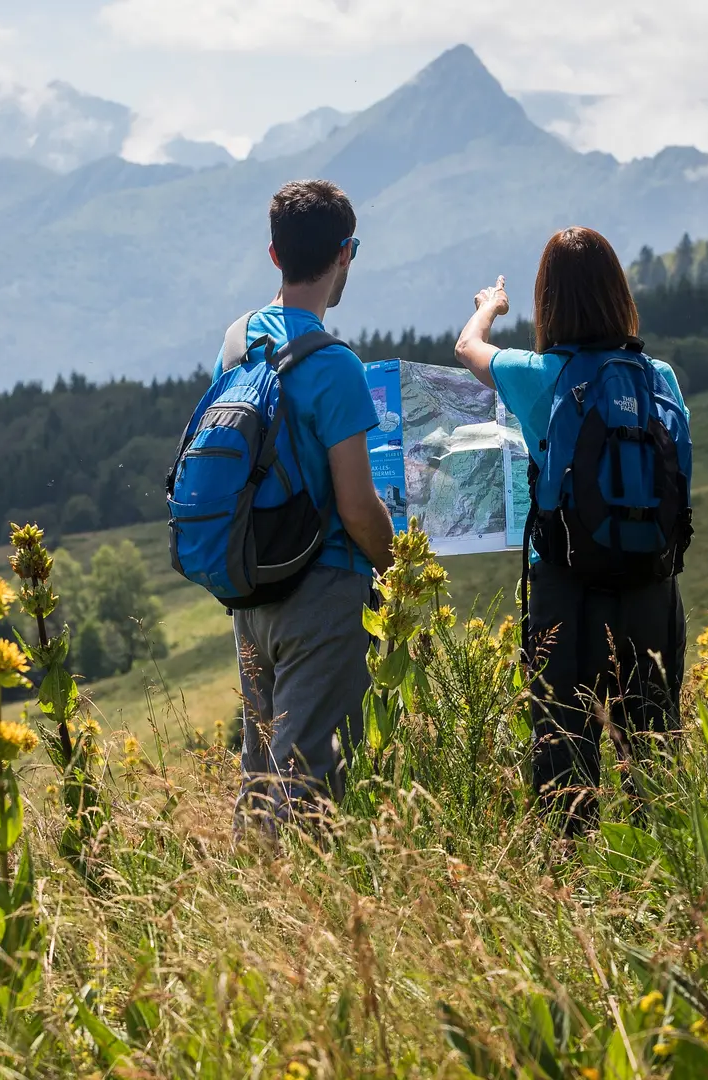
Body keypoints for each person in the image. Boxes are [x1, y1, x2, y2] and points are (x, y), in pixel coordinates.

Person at [450, 226, 690, 833]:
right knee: (655, 759)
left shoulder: (541, 374)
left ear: (549, 301)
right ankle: (660, 890)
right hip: (651, 586)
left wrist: (489, 308)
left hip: (565, 586)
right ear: (618, 293)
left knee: (564, 758)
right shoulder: (661, 379)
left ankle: (572, 896)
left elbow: (466, 348)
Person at [226, 179, 395, 831]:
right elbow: (356, 507)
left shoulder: (236, 341)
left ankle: (245, 907)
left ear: (274, 255)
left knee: (260, 771)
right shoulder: (336, 367)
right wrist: (400, 566)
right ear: (346, 252)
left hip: (251, 585)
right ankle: (298, 919)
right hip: (323, 591)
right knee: (309, 780)